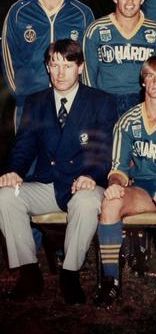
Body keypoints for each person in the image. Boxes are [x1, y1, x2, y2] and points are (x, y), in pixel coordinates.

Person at [0, 39, 116, 305]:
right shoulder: (36, 101)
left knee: (86, 203)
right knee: (5, 195)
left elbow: (104, 149)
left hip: (84, 182)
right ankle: (29, 272)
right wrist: (14, 171)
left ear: (80, 68)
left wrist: (90, 175)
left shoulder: (101, 101)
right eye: (55, 65)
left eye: (68, 64)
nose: (60, 72)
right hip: (49, 183)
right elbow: (24, 145)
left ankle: (70, 273)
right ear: (47, 68)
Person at [93, 56, 156, 307]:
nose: (155, 81)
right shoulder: (128, 120)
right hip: (140, 187)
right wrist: (115, 183)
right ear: (143, 82)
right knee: (110, 204)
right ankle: (110, 281)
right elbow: (118, 167)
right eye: (150, 75)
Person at [2, 0, 95, 127]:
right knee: (28, 154)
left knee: (70, 154)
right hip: (30, 102)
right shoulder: (19, 11)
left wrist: (85, 96)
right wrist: (21, 94)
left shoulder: (81, 13)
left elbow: (90, 59)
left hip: (72, 103)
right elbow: (7, 55)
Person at [83, 0, 156, 116]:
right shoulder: (96, 30)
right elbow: (89, 74)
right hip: (105, 99)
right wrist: (92, 105)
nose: (130, 2)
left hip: (143, 101)